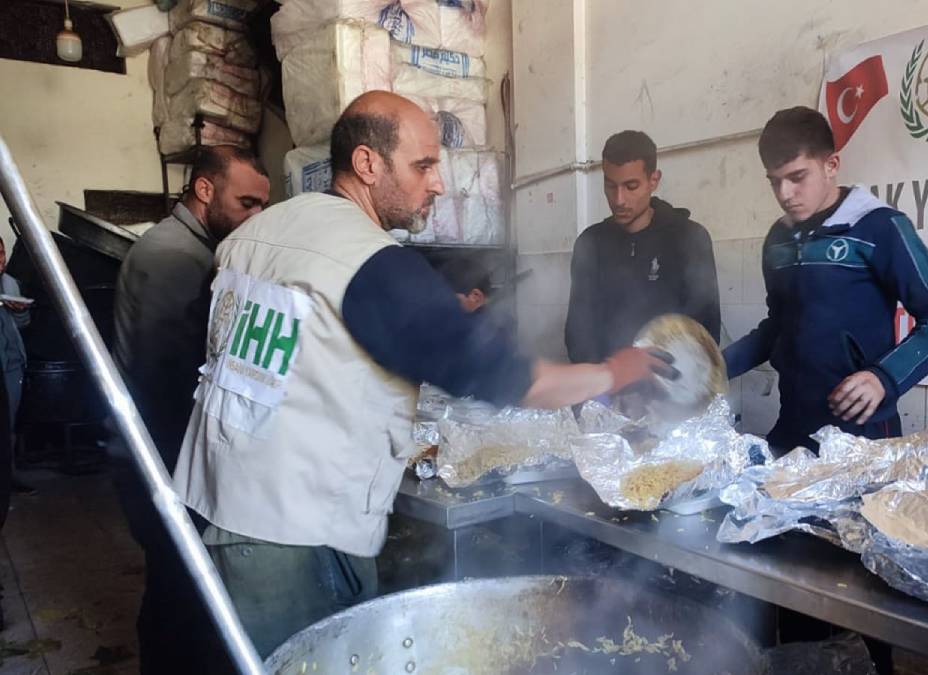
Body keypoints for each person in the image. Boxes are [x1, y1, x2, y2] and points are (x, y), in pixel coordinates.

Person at [172, 91, 676, 656]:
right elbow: (509, 379)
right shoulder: (370, 261)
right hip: (291, 536)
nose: (437, 183)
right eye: (423, 165)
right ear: (367, 164)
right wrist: (614, 371)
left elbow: (222, 351)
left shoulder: (252, 236)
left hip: (206, 508)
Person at [112, 145, 270, 675]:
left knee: (177, 587)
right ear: (205, 191)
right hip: (164, 455)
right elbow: (169, 376)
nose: (255, 218)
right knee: (180, 593)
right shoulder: (175, 258)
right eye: (246, 203)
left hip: (166, 452)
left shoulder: (192, 249)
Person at [724, 107, 928, 454]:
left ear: (831, 165)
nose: (784, 193)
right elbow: (777, 326)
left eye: (797, 177)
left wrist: (884, 378)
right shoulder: (777, 240)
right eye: (774, 181)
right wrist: (716, 367)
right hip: (793, 429)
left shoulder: (878, 226)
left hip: (863, 436)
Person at [565, 130, 721, 364]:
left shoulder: (689, 239)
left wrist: (662, 383)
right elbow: (578, 331)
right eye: (610, 185)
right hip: (607, 388)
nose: (619, 200)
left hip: (670, 388)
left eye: (631, 186)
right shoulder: (590, 244)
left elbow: (704, 330)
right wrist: (605, 383)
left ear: (653, 181)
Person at [0, 239, 29, 438]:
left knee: (7, 427)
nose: (0, 260)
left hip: (11, 365)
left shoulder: (9, 283)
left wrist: (19, 311)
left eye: (1, 253)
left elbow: (22, 324)